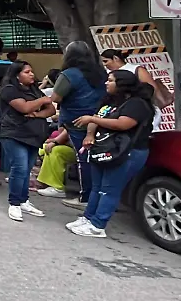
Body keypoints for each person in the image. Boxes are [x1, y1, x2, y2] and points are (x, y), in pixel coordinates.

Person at [66, 69, 156, 238]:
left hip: (127, 152)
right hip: (105, 149)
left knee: (110, 189)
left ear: (122, 85)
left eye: (111, 80)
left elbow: (123, 124)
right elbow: (96, 116)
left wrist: (92, 120)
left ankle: (98, 225)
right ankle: (88, 218)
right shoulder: (110, 101)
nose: (106, 83)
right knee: (97, 187)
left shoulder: (137, 104)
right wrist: (90, 134)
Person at [50, 41, 106, 208]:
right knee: (96, 159)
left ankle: (86, 197)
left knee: (84, 160)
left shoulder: (69, 74)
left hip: (76, 121)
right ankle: (97, 194)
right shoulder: (100, 73)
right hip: (99, 119)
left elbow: (56, 98)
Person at [0, 60, 57, 222]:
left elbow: (51, 109)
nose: (31, 74)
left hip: (34, 135)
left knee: (27, 169)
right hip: (14, 133)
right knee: (20, 167)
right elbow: (24, 108)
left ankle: (24, 200)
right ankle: (14, 203)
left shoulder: (34, 90)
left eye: (31, 71)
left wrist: (38, 113)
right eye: (27, 72)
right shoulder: (9, 90)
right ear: (17, 75)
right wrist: (42, 101)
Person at [33, 126, 77, 198]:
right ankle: (43, 181)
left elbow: (69, 129)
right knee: (43, 148)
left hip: (78, 148)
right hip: (67, 142)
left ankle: (58, 187)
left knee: (55, 151)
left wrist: (55, 141)